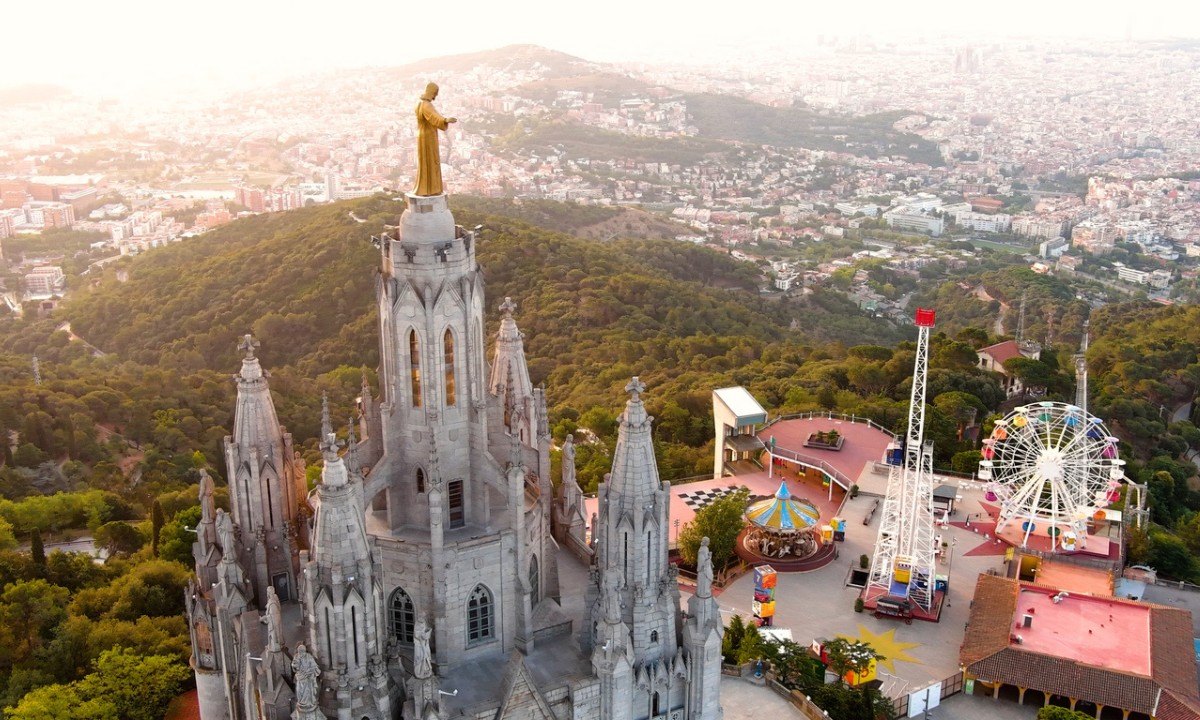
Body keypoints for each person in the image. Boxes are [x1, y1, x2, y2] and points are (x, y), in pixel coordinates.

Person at [414, 82, 457, 196]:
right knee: (432, 161)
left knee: (425, 162)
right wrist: (446, 120)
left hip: (422, 134)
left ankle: (425, 188)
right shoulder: (427, 105)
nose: (435, 96)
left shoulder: (419, 104)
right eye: (435, 93)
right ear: (432, 92)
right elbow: (434, 117)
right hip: (428, 136)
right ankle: (430, 189)